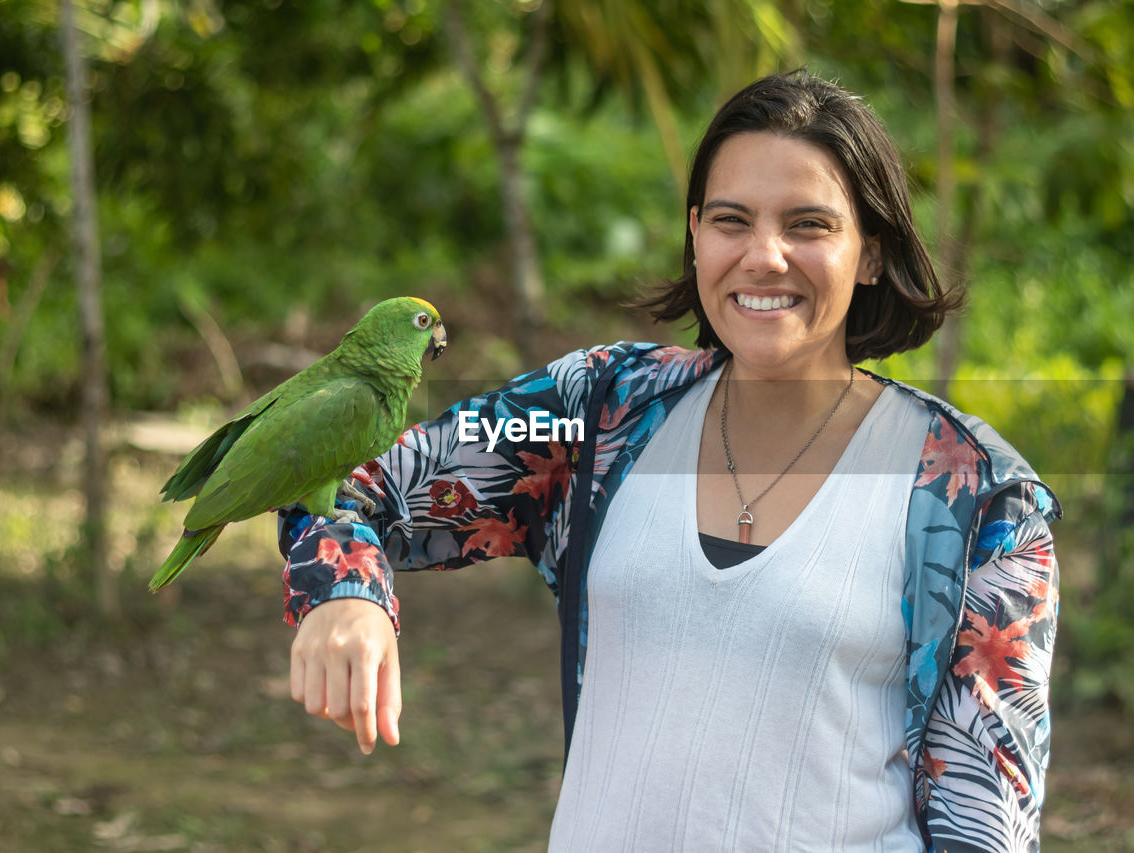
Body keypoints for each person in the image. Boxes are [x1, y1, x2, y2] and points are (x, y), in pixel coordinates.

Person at [281, 70, 1060, 852]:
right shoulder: (601, 409)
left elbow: (986, 819)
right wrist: (346, 590)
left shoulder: (973, 497)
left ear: (869, 254)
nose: (764, 256)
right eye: (732, 220)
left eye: (809, 225)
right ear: (695, 234)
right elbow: (355, 480)